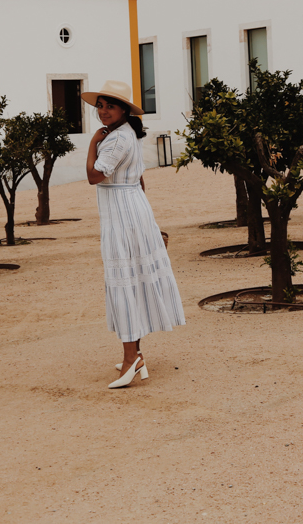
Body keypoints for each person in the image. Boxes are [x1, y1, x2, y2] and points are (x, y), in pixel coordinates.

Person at [82, 80, 185, 389]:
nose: (102, 111)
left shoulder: (115, 140)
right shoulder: (127, 134)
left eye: (109, 106)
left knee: (124, 282)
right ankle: (135, 353)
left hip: (122, 215)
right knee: (132, 281)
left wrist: (91, 144)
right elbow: (140, 180)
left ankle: (132, 359)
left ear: (124, 110)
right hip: (130, 209)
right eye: (100, 105)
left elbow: (93, 175)